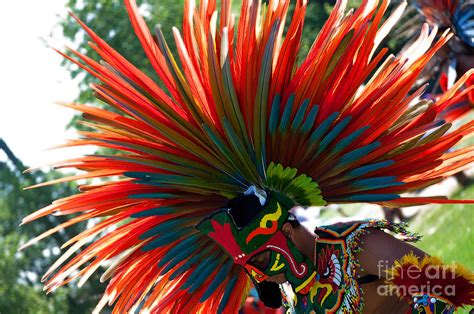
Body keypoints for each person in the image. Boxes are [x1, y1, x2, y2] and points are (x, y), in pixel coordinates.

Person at [21, 0, 474, 313]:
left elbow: (455, 289)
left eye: (259, 253)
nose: (262, 270)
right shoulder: (294, 297)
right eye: (251, 262)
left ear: (283, 221)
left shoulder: (361, 247)